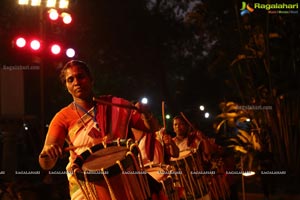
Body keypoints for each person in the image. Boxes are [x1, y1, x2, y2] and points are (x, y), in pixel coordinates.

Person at [39, 60, 159, 200]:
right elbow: (45, 163)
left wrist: (146, 114)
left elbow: (152, 129)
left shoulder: (115, 105)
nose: (76, 82)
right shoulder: (62, 117)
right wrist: (49, 152)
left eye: (81, 76)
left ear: (91, 79)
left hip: (123, 176)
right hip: (86, 184)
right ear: (66, 86)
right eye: (70, 79)